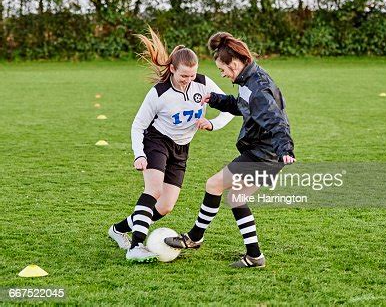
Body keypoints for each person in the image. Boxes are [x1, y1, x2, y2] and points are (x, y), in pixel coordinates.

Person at [165, 32, 295, 268]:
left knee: (213, 184)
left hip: (264, 154)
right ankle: (255, 257)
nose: (223, 74)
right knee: (237, 197)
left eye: (223, 69)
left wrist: (285, 147)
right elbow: (242, 106)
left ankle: (194, 238)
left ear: (234, 63)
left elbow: (276, 122)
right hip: (265, 152)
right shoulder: (250, 80)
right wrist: (215, 99)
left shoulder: (259, 88)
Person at [108, 27, 233, 262]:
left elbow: (229, 108)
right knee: (153, 191)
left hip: (182, 148)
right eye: (184, 75)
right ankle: (135, 247)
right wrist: (138, 154)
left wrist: (212, 123)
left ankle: (118, 229)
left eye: (193, 75)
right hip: (157, 141)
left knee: (165, 207)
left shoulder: (203, 84)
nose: (189, 80)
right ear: (173, 69)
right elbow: (138, 125)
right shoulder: (159, 93)